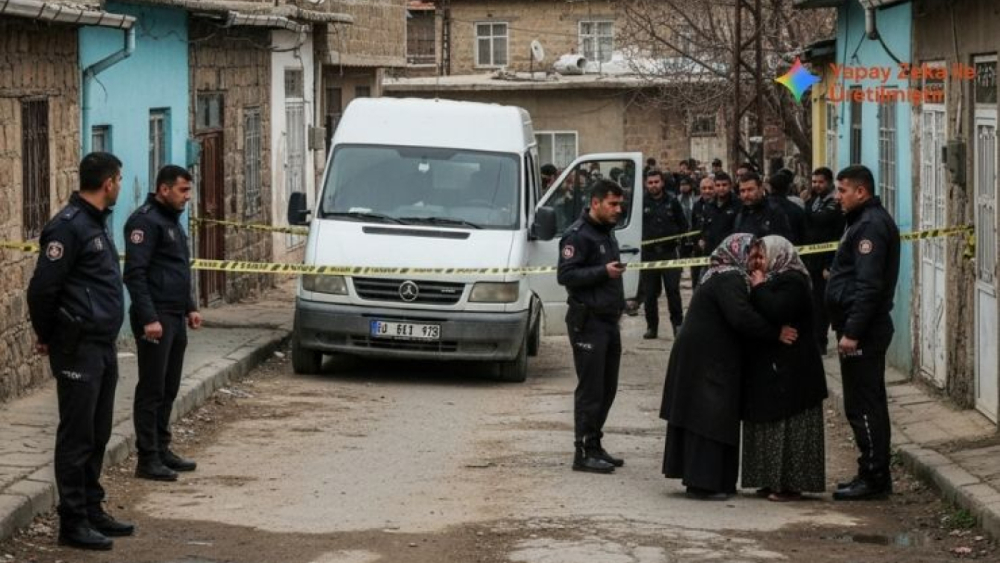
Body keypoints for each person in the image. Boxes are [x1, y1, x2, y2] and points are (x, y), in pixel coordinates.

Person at [26, 152, 133, 550]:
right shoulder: (67, 228)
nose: (120, 185)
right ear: (108, 183)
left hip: (102, 346)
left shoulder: (96, 223)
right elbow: (42, 289)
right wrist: (47, 333)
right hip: (78, 347)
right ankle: (72, 522)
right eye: (119, 179)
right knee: (77, 436)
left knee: (99, 432)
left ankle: (91, 507)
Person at [660, 234, 798, 499]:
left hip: (708, 355)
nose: (755, 261)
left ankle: (717, 481)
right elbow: (741, 317)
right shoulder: (728, 277)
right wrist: (774, 332)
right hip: (704, 357)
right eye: (751, 254)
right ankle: (702, 483)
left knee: (713, 413)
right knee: (706, 415)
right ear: (738, 252)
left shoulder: (725, 275)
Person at [826, 165, 901, 501]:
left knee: (864, 404)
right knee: (866, 402)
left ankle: (873, 476)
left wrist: (852, 332)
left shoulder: (870, 226)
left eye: (842, 191)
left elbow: (868, 286)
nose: (836, 197)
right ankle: (872, 472)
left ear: (861, 191)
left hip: (864, 332)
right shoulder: (861, 221)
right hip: (861, 327)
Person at [124, 165, 203, 482]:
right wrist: (149, 318)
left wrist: (190, 307)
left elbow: (177, 268)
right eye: (183, 191)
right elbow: (135, 274)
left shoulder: (171, 220)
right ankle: (148, 458)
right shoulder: (144, 222)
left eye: (189, 190)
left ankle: (162, 447)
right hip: (155, 319)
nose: (187, 197)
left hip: (174, 316)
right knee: (152, 388)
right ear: (164, 189)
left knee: (169, 387)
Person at [741, 236, 828, 502]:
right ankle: (770, 480)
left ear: (777, 255)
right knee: (771, 424)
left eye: (762, 256)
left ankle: (789, 485)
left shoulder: (793, 280)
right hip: (778, 369)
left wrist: (758, 289)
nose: (758, 263)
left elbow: (778, 310)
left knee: (791, 427)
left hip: (795, 371)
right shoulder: (773, 279)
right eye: (754, 257)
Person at [557, 179, 628, 474]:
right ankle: (582, 451)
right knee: (591, 389)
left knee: (607, 388)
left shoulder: (606, 233)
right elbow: (566, 276)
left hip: (609, 321)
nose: (618, 210)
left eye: (620, 204)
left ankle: (596, 443)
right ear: (595, 203)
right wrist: (603, 272)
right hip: (588, 322)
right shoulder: (577, 235)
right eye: (612, 204)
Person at [640, 171, 688, 339]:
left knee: (673, 291)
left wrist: (679, 244)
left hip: (669, 253)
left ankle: (677, 325)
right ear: (646, 184)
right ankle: (652, 327)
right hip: (649, 255)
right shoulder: (640, 202)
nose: (653, 185)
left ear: (662, 183)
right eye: (650, 182)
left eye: (656, 182)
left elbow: (683, 225)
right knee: (650, 293)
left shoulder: (672, 201)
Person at [803, 167, 844, 354]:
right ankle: (815, 339)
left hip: (827, 261)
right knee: (813, 303)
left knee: (823, 304)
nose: (816, 185)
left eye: (820, 182)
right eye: (814, 182)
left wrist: (829, 264)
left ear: (829, 182)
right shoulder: (815, 201)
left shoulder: (834, 202)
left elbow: (822, 221)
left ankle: (821, 342)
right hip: (812, 260)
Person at [734, 172, 793, 241]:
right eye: (742, 191)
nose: (746, 195)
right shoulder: (740, 214)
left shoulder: (774, 212)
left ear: (761, 189)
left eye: (750, 190)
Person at [699, 172, 740, 255]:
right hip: (711, 252)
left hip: (731, 253)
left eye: (724, 185)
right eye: (718, 185)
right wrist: (702, 239)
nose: (721, 188)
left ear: (730, 186)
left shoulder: (738, 204)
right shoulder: (709, 205)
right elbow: (704, 227)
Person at [766, 170, 806, 244]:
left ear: (770, 187)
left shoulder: (761, 207)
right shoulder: (797, 210)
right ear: (788, 188)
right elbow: (803, 235)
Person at [689, 176, 715, 287]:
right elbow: (694, 226)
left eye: (710, 188)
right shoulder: (697, 205)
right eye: (704, 188)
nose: (707, 191)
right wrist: (698, 240)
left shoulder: (719, 205)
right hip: (698, 251)